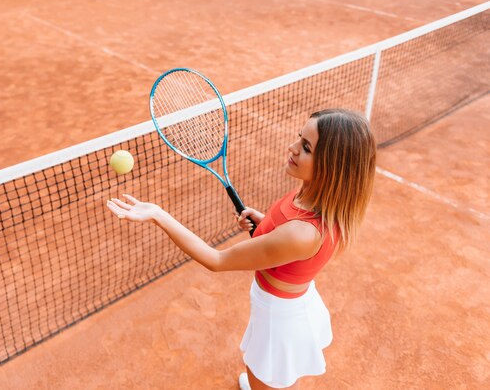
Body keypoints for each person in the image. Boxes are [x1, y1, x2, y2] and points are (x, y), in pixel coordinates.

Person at [106, 109, 376, 389]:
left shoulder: (302, 233)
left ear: (332, 166)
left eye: (306, 147)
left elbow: (217, 259)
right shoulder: (312, 194)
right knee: (272, 376)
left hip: (279, 320)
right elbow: (286, 236)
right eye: (299, 138)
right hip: (288, 303)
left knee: (265, 377)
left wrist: (158, 214)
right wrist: (267, 225)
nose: (292, 148)